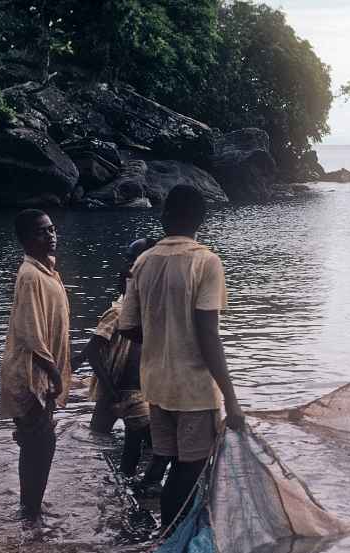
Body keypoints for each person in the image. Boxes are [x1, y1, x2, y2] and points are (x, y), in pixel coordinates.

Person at [119, 185, 245, 528]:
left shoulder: (143, 262)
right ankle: (171, 538)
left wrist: (163, 336)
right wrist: (232, 400)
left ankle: (169, 534)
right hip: (193, 390)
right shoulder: (206, 262)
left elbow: (127, 326)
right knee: (190, 469)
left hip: (156, 387)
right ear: (201, 221)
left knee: (173, 461)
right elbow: (208, 333)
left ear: (163, 218)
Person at [0, 209, 71, 519]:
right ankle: (30, 511)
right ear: (27, 239)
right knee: (39, 442)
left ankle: (31, 507)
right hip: (30, 375)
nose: (51, 235)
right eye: (43, 231)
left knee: (38, 442)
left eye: (52, 229)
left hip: (41, 374)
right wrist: (55, 374)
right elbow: (31, 332)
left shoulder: (48, 272)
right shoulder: (29, 275)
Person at [74, 238, 155, 477]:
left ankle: (124, 478)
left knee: (142, 441)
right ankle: (111, 478)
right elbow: (92, 350)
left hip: (135, 388)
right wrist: (109, 390)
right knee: (97, 438)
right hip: (117, 386)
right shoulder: (119, 312)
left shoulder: (146, 306)